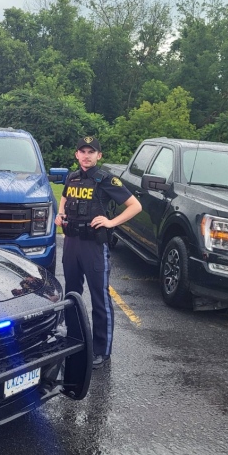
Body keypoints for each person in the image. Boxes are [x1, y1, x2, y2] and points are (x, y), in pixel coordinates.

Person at [55, 136, 142, 368]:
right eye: (82, 151)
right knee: (71, 295)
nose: (86, 155)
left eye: (91, 152)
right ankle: (74, 339)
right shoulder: (71, 177)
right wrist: (60, 214)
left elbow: (135, 206)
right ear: (76, 155)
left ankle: (102, 350)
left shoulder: (105, 179)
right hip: (71, 242)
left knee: (99, 298)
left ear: (99, 156)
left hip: (93, 245)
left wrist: (112, 223)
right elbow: (64, 198)